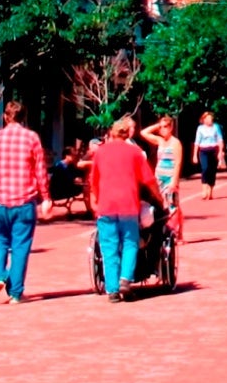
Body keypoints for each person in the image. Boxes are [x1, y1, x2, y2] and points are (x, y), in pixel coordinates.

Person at [0, 100, 48, 304]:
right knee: (20, 246)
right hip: (24, 200)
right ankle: (16, 293)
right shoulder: (32, 138)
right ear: (24, 117)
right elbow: (40, 170)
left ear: (5, 117)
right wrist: (46, 197)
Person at [90, 117, 164, 299]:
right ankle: (125, 280)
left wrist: (94, 201)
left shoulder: (100, 152)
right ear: (126, 133)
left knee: (109, 247)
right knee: (130, 242)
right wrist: (160, 198)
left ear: (112, 133)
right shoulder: (135, 153)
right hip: (128, 204)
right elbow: (149, 180)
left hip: (106, 205)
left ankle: (112, 289)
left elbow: (94, 181)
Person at [140, 114, 185, 207]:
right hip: (159, 176)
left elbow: (178, 163)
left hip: (170, 177)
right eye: (161, 127)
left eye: (165, 127)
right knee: (159, 204)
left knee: (171, 205)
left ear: (171, 127)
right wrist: (157, 125)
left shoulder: (175, 143)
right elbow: (143, 133)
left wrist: (174, 181)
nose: (163, 129)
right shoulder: (159, 140)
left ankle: (175, 221)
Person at [47, 143, 86, 216]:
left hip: (62, 189)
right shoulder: (61, 166)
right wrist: (75, 179)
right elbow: (69, 179)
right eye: (73, 155)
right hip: (58, 192)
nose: (75, 157)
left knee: (82, 188)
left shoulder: (69, 166)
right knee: (82, 188)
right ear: (67, 156)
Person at [193, 111, 225, 198]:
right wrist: (194, 155)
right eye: (208, 118)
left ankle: (210, 190)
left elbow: (220, 140)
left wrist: (220, 152)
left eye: (211, 118)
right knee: (205, 168)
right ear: (204, 120)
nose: (210, 120)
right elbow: (197, 142)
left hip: (213, 150)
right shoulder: (200, 128)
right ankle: (204, 189)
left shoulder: (216, 127)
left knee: (212, 171)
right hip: (203, 150)